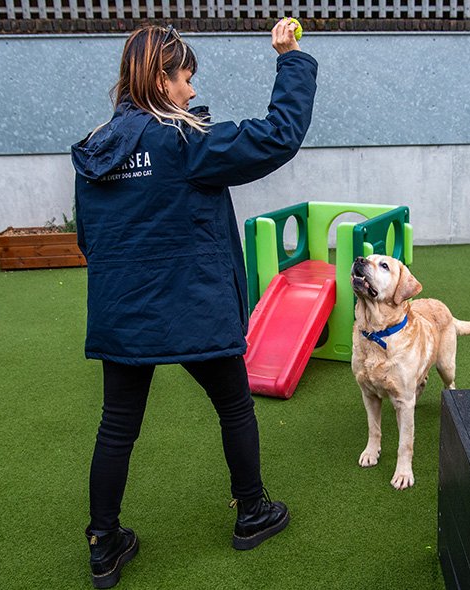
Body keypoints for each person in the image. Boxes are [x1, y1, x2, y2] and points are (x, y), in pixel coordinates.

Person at [71, 21, 316, 589]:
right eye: (186, 79)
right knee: (234, 406)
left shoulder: (96, 149)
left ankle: (103, 545)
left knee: (117, 427)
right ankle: (251, 512)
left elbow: (90, 241)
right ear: (162, 76)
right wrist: (292, 59)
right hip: (193, 309)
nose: (190, 92)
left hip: (124, 315)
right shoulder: (183, 142)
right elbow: (278, 136)